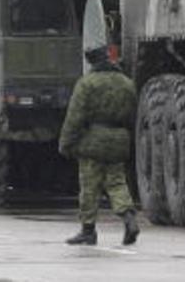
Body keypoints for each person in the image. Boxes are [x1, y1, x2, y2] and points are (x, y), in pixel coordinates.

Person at [59, 45, 140, 246]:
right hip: (118, 139)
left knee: (89, 186)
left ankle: (88, 230)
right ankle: (128, 217)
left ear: (92, 62)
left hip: (93, 140)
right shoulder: (127, 83)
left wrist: (66, 144)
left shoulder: (87, 84)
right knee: (117, 182)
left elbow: (75, 118)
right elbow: (132, 114)